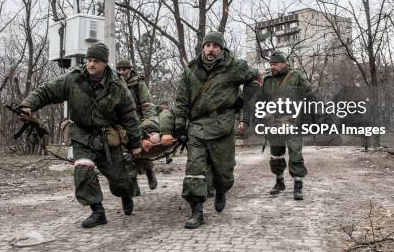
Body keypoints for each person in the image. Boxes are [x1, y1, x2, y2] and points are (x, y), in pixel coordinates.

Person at [19, 43, 143, 228]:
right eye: (89, 60)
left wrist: (135, 142)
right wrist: (28, 105)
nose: (91, 64)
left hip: (106, 136)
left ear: (104, 64)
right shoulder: (73, 79)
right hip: (81, 134)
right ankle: (97, 211)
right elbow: (46, 91)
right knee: (83, 171)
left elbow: (129, 116)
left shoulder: (117, 86)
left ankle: (126, 193)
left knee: (119, 179)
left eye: (96, 61)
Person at [161, 31, 259, 229]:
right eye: (208, 45)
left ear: (221, 50)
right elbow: (181, 101)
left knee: (223, 172)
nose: (211, 49)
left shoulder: (234, 67)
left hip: (222, 125)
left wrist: (242, 100)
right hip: (197, 127)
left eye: (215, 46)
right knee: (194, 170)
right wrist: (180, 127)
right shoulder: (190, 71)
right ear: (203, 48)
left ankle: (221, 190)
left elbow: (256, 79)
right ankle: (197, 211)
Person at [258, 51, 312, 200]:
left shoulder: (296, 76)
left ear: (284, 63)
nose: (272, 67)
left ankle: (298, 185)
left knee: (295, 153)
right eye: (270, 64)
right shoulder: (267, 80)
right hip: (274, 123)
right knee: (276, 155)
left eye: (275, 64)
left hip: (293, 122)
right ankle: (279, 182)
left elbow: (309, 93)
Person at [116, 59, 158, 193]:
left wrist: (148, 124)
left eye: (124, 69)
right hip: (122, 123)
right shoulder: (115, 84)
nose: (122, 72)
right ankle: (133, 183)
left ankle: (149, 171)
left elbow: (147, 104)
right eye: (120, 70)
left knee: (141, 150)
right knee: (126, 155)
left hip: (139, 121)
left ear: (130, 69)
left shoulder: (138, 83)